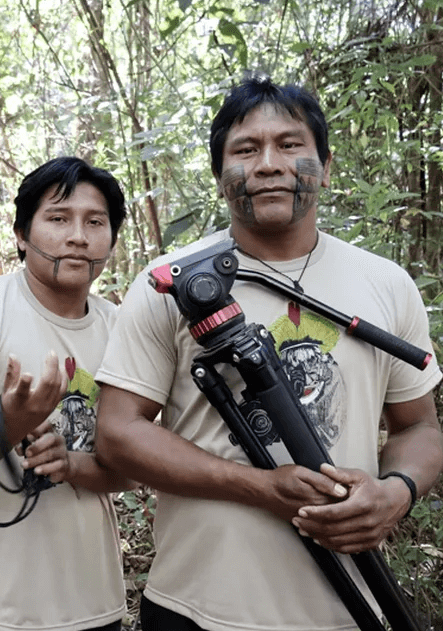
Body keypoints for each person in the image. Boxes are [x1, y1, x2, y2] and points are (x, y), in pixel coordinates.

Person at [94, 75, 443, 630]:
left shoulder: (385, 284)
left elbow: (418, 428)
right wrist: (260, 487)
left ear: (326, 167)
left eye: (290, 144)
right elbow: (117, 433)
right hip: (196, 607)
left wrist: (395, 493)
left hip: (352, 609)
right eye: (246, 149)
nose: (269, 164)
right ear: (220, 176)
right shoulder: (170, 283)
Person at [0, 156, 136, 631]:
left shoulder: (119, 328)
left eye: (94, 222)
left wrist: (71, 463)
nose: (78, 236)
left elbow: (131, 469)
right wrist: (6, 425)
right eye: (58, 219)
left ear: (111, 239)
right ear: (20, 234)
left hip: (96, 603)